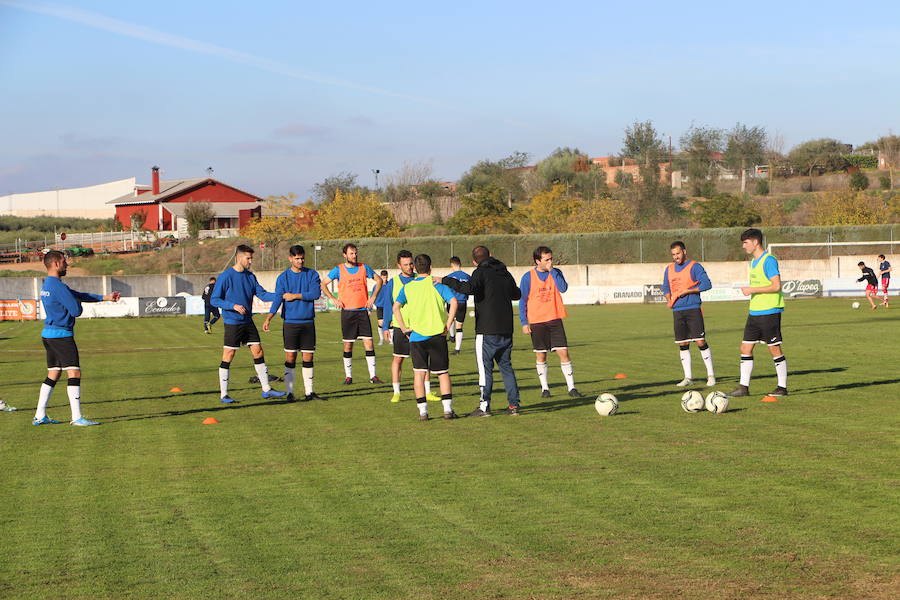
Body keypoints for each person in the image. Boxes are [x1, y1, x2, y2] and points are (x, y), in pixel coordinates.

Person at [32, 250, 120, 426]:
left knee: (54, 373)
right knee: (74, 372)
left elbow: (77, 294)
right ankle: (77, 417)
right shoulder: (58, 286)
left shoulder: (48, 285)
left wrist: (105, 297)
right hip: (61, 336)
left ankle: (40, 415)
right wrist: (76, 303)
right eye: (64, 261)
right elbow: (76, 310)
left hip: (48, 334)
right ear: (56, 263)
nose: (67, 265)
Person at [437, 245, 522, 416]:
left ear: (474, 261)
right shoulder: (504, 272)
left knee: (485, 369)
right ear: (491, 255)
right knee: (506, 367)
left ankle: (484, 406)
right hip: (506, 328)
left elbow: (469, 289)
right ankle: (514, 405)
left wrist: (445, 280)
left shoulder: (480, 272)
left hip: (487, 329)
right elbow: (516, 294)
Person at [210, 244, 287, 403]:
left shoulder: (250, 276)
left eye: (252, 258)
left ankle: (266, 389)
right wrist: (233, 306)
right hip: (232, 322)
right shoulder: (226, 276)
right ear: (238, 257)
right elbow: (215, 299)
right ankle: (224, 394)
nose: (251, 261)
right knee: (229, 355)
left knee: (258, 351)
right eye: (248, 258)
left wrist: (280, 295)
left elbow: (263, 295)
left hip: (247, 321)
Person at [392, 254, 459, 421]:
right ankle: (448, 410)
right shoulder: (436, 283)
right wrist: (448, 324)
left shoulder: (408, 287)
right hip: (437, 335)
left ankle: (423, 412)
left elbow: (396, 307)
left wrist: (404, 328)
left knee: (419, 374)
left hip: (416, 337)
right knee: (442, 373)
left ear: (414, 267)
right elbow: (454, 302)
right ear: (431, 267)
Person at [728, 229, 788, 398]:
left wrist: (752, 289)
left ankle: (782, 387)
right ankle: (743, 388)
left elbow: (776, 286)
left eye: (745, 242)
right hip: (754, 312)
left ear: (755, 242)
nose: (743, 246)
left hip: (769, 311)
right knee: (745, 347)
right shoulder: (753, 262)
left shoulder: (768, 260)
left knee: (774, 349)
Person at [262, 245, 325, 402]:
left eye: (302, 258)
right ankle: (290, 392)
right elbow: (278, 298)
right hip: (290, 323)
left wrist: (295, 296)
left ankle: (309, 392)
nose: (300, 261)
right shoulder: (283, 278)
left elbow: (315, 294)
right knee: (290, 357)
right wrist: (269, 318)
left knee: (308, 357)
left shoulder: (312, 274)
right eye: (297, 258)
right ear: (290, 258)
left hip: (308, 322)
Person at [519, 246, 583, 398]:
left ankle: (571, 388)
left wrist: (553, 271)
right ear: (537, 261)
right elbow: (522, 300)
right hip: (537, 321)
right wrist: (524, 322)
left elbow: (563, 288)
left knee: (564, 352)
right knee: (541, 355)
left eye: (551, 258)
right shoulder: (527, 277)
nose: (550, 262)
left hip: (554, 318)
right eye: (546, 259)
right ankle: (545, 389)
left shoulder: (556, 273)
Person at [379, 250, 439, 404]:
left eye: (411, 263)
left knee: (424, 361)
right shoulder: (393, 283)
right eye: (405, 264)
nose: (409, 267)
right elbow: (388, 305)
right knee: (398, 358)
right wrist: (386, 327)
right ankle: (396, 392)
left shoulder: (420, 280)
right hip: (400, 327)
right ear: (398, 265)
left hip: (419, 326)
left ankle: (428, 391)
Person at [321, 243, 383, 384]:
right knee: (348, 345)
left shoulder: (364, 267)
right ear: (345, 255)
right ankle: (348, 377)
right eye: (351, 253)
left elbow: (379, 280)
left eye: (355, 253)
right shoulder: (338, 270)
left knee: (369, 343)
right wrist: (333, 299)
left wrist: (372, 297)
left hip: (362, 312)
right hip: (347, 313)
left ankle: (373, 376)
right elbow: (323, 284)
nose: (354, 256)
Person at [661, 241, 715, 388]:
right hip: (677, 311)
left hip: (693, 308)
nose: (676, 257)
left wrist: (687, 291)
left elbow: (707, 284)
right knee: (682, 343)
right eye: (673, 254)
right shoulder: (669, 269)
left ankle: (711, 376)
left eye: (678, 253)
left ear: (684, 251)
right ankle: (688, 377)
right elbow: (665, 286)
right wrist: (669, 298)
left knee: (700, 341)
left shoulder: (695, 266)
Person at [444, 256, 470, 354]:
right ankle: (457, 349)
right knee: (459, 326)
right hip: (462, 303)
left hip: (452, 302)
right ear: (460, 264)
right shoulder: (467, 276)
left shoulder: (450, 276)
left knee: (450, 319)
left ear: (452, 265)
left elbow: (446, 290)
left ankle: (452, 336)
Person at [375, 269, 390, 345]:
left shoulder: (390, 285)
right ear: (381, 277)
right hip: (380, 306)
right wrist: (370, 309)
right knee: (381, 323)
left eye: (386, 277)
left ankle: (390, 340)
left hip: (389, 306)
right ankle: (381, 339)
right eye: (383, 277)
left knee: (390, 323)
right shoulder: (377, 286)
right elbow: (373, 296)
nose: (385, 279)